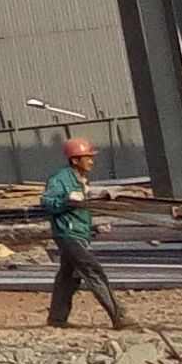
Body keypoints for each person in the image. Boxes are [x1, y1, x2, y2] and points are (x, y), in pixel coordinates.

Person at [42, 136, 129, 329]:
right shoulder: (61, 180)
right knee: (93, 270)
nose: (91, 161)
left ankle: (57, 318)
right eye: (87, 157)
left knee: (68, 277)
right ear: (75, 160)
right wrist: (66, 201)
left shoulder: (80, 181)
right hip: (67, 234)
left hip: (78, 233)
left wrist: (92, 226)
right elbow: (47, 203)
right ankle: (119, 316)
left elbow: (80, 210)